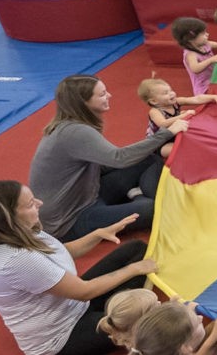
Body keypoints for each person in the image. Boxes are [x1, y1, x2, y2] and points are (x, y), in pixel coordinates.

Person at [0, 181, 155, 355]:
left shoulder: (17, 232)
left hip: (73, 304)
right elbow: (84, 291)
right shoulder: (14, 260)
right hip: (62, 336)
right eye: (30, 204)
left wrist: (96, 235)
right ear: (8, 218)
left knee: (137, 249)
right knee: (151, 324)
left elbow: (60, 252)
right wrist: (134, 270)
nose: (39, 203)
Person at [28, 75, 182, 238]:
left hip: (89, 193)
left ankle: (140, 196)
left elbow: (106, 164)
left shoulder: (72, 126)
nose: (109, 96)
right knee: (150, 209)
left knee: (148, 157)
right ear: (84, 102)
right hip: (71, 220)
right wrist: (167, 133)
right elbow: (119, 158)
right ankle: (142, 197)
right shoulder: (76, 132)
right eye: (102, 94)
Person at [138, 78, 217, 158]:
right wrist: (182, 116)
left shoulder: (176, 102)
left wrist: (212, 97)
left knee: (195, 141)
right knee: (177, 150)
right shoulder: (155, 111)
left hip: (175, 135)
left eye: (171, 90)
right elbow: (163, 124)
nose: (171, 93)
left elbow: (195, 99)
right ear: (154, 101)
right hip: (160, 143)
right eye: (165, 93)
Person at [171, 17, 217, 96]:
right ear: (190, 38)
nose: (207, 34)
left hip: (215, 79)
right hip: (204, 88)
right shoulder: (191, 54)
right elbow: (195, 68)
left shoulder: (206, 44)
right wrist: (211, 60)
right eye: (203, 33)